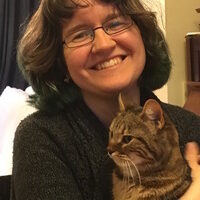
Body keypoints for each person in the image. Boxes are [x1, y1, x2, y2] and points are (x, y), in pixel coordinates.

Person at [10, 0, 200, 199]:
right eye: (80, 34)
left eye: (116, 23)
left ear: (142, 35)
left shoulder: (192, 127)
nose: (103, 45)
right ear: (60, 61)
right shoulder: (41, 139)